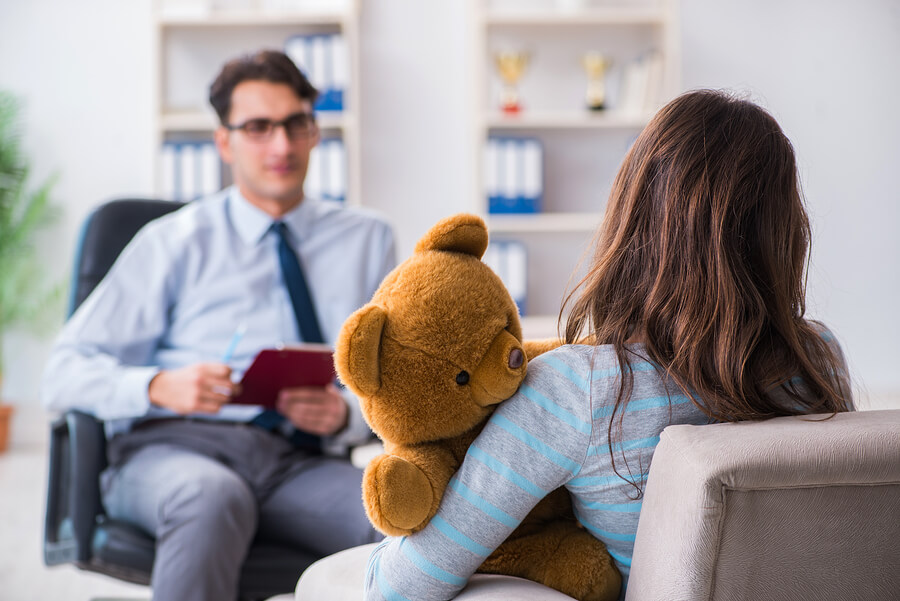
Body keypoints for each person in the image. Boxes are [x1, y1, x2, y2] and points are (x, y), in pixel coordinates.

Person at [363, 90, 853, 600]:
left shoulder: (579, 390)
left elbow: (400, 588)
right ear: (784, 232)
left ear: (631, 215)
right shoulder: (820, 358)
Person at [42, 50, 395, 601]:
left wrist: (345, 414)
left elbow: (394, 381)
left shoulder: (367, 239)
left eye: (295, 125)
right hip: (174, 452)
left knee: (407, 520)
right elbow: (62, 373)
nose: (281, 146)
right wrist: (157, 385)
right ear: (224, 142)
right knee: (210, 497)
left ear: (314, 133)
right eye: (258, 128)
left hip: (297, 463)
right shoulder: (172, 241)